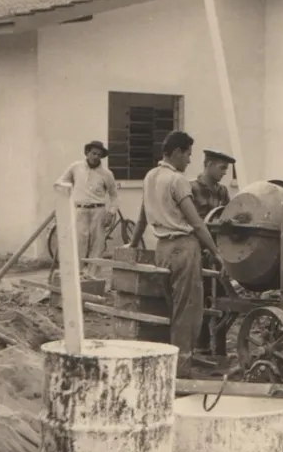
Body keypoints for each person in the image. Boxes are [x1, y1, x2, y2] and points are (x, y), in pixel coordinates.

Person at [126, 131, 225, 379]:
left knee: (169, 308)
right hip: (183, 248)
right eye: (188, 154)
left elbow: (142, 216)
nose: (190, 160)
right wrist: (216, 252)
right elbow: (198, 224)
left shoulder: (150, 176)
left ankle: (164, 365)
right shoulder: (177, 180)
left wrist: (134, 243)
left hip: (162, 249)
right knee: (187, 311)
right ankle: (181, 371)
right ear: (178, 152)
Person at [190, 149, 235, 356]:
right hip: (198, 250)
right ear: (208, 164)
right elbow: (192, 223)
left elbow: (227, 217)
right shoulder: (191, 188)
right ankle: (201, 344)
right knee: (203, 295)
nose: (225, 172)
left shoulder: (223, 191)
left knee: (224, 296)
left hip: (218, 252)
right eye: (222, 168)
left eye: (226, 169)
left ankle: (220, 346)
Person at [55, 140, 119, 278]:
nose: (95, 156)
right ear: (87, 153)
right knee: (79, 244)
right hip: (80, 211)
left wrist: (111, 213)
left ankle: (92, 277)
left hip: (98, 211)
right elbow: (61, 182)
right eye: (93, 153)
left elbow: (114, 196)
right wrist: (66, 196)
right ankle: (77, 277)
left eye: (99, 154)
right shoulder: (75, 168)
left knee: (97, 244)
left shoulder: (106, 174)